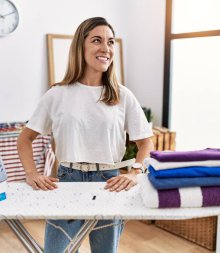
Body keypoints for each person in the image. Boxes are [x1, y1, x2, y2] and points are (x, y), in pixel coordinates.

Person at [17, 17, 154, 253]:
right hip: (68, 180)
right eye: (97, 41)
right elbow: (25, 139)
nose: (106, 49)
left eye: (110, 42)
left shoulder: (123, 95)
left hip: (110, 183)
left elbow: (146, 142)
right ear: (80, 46)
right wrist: (31, 173)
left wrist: (136, 173)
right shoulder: (57, 94)